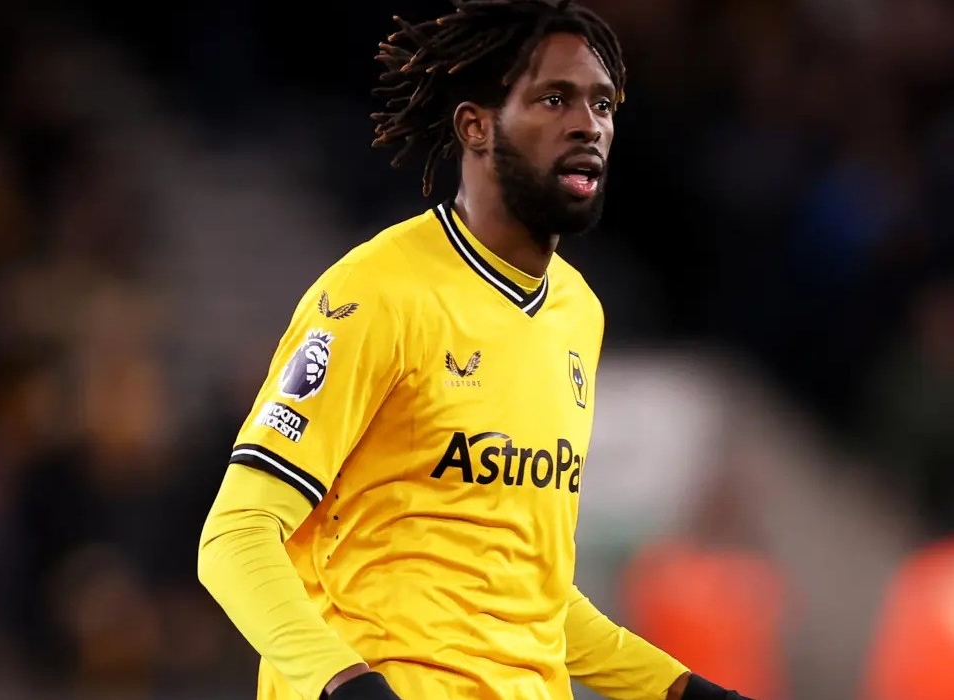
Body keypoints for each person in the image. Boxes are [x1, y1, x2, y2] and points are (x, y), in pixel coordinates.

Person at [198, 2, 759, 700]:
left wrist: (679, 689)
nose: (590, 124)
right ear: (477, 125)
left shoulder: (577, 313)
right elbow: (235, 537)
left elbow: (536, 598)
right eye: (555, 98)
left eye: (604, 104)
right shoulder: (378, 293)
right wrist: (346, 686)